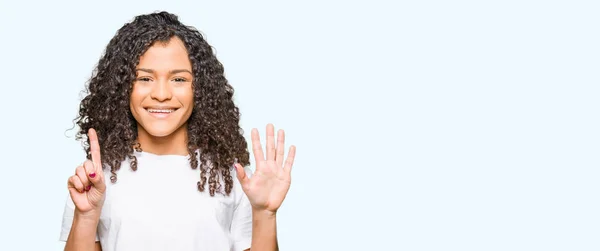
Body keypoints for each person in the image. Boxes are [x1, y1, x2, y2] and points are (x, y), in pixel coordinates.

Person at [59, 11, 297, 251]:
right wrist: (86, 216)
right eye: (144, 78)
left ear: (200, 88)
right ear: (122, 87)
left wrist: (265, 213)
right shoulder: (96, 179)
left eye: (179, 80)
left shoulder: (231, 176)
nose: (161, 94)